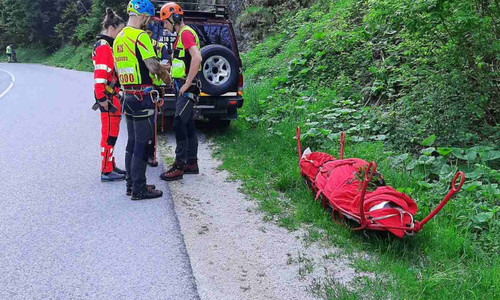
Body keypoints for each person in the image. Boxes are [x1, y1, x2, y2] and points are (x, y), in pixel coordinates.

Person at [113, 0, 171, 200]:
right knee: (143, 143)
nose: (148, 22)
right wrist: (167, 75)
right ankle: (139, 188)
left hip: (127, 95)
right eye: (147, 17)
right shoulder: (140, 36)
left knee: (132, 141)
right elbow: (153, 66)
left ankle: (131, 184)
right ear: (142, 15)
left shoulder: (119, 38)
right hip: (143, 96)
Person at [159, 2, 202, 182]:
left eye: (165, 22)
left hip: (187, 87)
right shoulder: (181, 36)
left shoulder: (185, 34)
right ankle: (191, 162)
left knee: (178, 122)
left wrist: (188, 83)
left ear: (174, 18)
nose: (165, 26)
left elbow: (197, 57)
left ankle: (179, 165)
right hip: (182, 85)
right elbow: (182, 62)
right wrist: (167, 68)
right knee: (187, 123)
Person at [92, 8, 126, 182]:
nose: (120, 35)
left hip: (111, 97)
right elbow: (100, 77)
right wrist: (102, 98)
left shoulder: (105, 46)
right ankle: (106, 170)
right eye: (120, 31)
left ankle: (111, 164)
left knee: (111, 134)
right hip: (109, 100)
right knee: (109, 136)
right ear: (112, 28)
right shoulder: (105, 48)